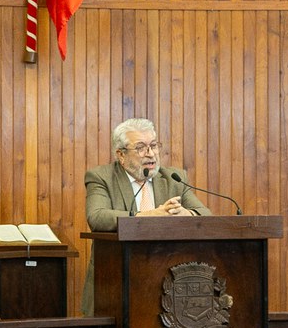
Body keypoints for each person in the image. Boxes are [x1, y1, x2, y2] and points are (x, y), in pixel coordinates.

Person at [82, 118, 211, 315]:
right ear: (121, 154)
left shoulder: (173, 179)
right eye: (141, 148)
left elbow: (205, 215)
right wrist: (149, 215)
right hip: (115, 282)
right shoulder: (102, 177)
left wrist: (185, 214)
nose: (150, 154)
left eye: (153, 146)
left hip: (166, 284)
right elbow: (97, 217)